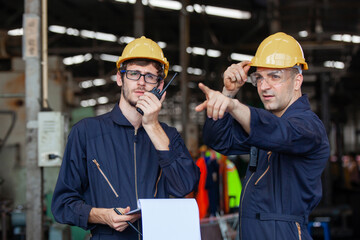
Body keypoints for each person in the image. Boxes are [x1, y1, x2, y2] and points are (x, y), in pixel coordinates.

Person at [51, 36, 200, 239]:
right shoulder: (86, 132)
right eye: (133, 73)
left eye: (150, 76)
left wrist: (152, 125)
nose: (141, 82)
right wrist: (101, 216)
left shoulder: (169, 136)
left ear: (160, 86)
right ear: (120, 78)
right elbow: (62, 204)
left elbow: (186, 188)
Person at [195, 32, 330, 239]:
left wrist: (234, 106)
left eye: (275, 76)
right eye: (259, 78)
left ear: (297, 81)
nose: (264, 86)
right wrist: (228, 93)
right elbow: (218, 140)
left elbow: (280, 133)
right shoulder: (263, 129)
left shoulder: (309, 127)